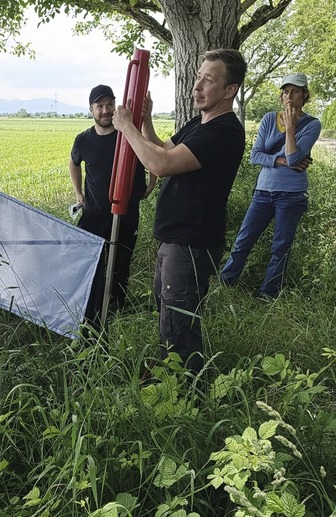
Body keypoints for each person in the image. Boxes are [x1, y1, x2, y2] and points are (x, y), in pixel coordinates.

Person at [112, 49, 247, 373]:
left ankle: (187, 396)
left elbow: (160, 164)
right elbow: (161, 148)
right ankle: (174, 381)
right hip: (175, 238)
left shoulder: (223, 131)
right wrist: (144, 121)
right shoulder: (199, 124)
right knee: (169, 313)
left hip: (191, 243)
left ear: (230, 90)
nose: (197, 85)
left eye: (208, 80)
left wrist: (127, 127)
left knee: (178, 326)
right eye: (198, 77)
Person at [220, 73, 321, 298]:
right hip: (263, 192)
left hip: (292, 195)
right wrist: (280, 160)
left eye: (295, 91)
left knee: (280, 247)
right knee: (244, 239)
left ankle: (268, 294)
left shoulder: (312, 124)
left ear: (305, 95)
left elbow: (296, 159)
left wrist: (292, 127)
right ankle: (225, 283)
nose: (289, 96)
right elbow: (255, 155)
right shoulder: (268, 119)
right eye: (286, 91)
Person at [70, 84, 156, 325]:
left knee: (120, 262)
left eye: (109, 105)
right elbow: (74, 163)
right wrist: (79, 192)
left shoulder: (129, 134)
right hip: (94, 213)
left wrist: (151, 183)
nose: (105, 110)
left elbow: (150, 152)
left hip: (127, 212)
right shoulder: (83, 140)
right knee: (91, 260)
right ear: (91, 110)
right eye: (100, 106)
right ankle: (90, 304)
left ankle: (116, 306)